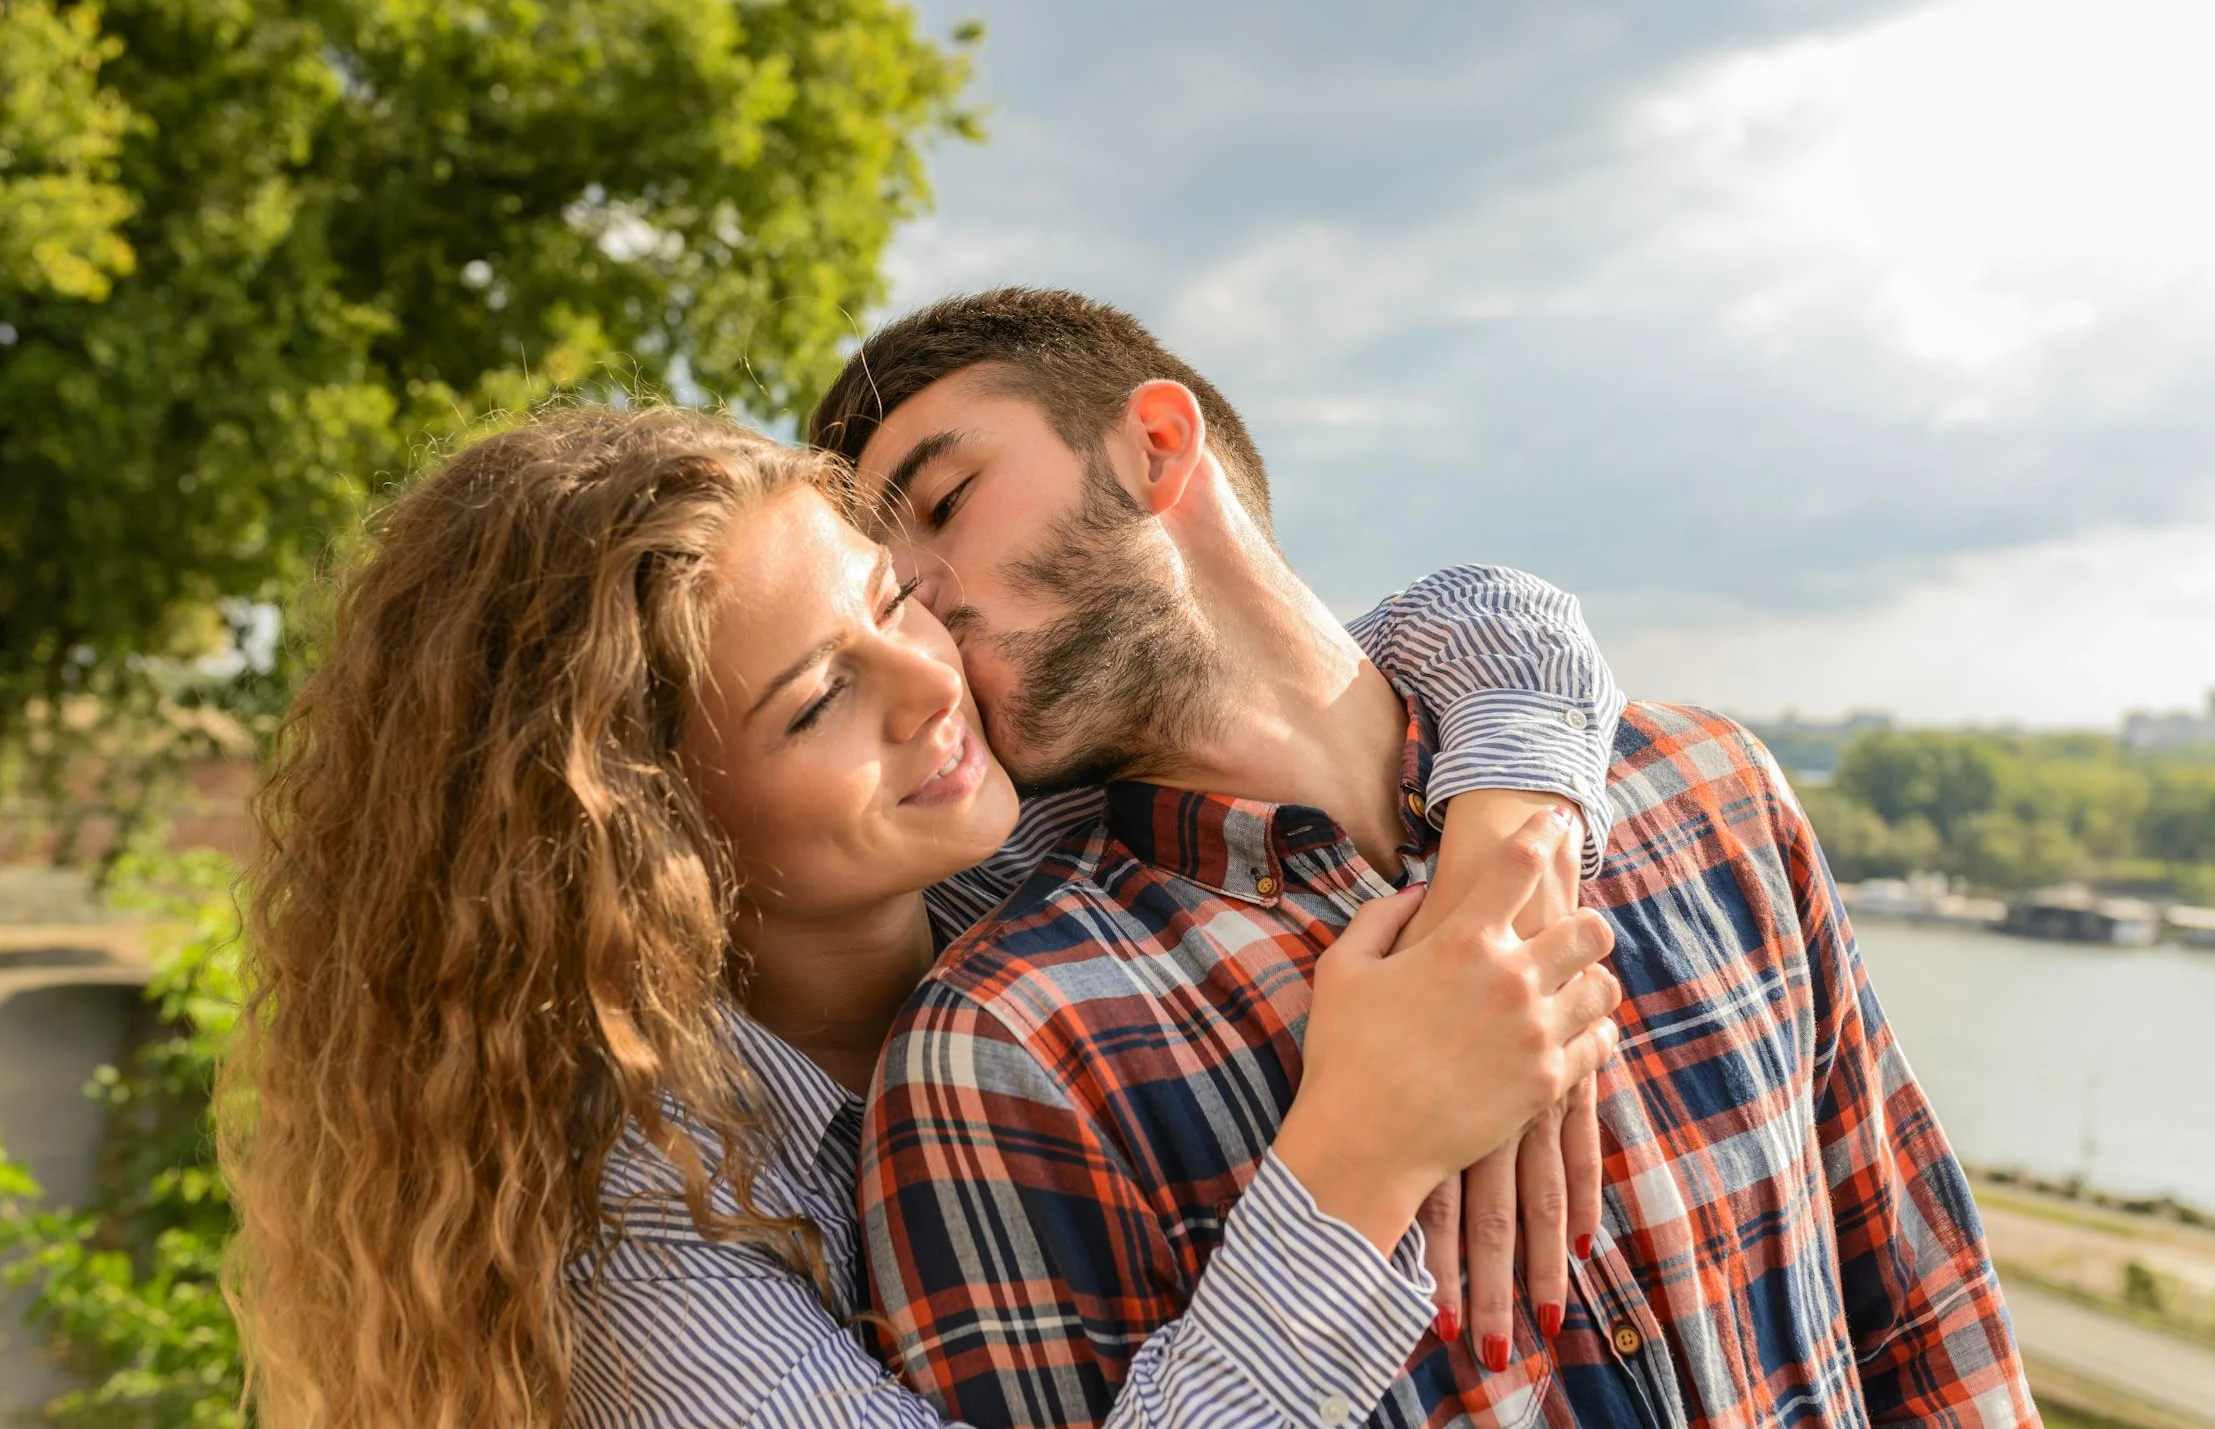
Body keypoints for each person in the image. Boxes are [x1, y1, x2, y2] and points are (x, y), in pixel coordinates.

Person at [221, 403, 1632, 1428]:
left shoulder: (1025, 841)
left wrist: (1503, 862)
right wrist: (1356, 1159)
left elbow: (1465, 625)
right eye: (820, 700)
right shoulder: (642, 1244)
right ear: (643, 836)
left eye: (894, 598)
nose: (928, 683)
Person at [812, 288, 2038, 1428]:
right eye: (884, 591)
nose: (921, 598)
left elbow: (1929, 1325)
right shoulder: (1001, 1052)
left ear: (1157, 448)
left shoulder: (1709, 792)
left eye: (945, 500)